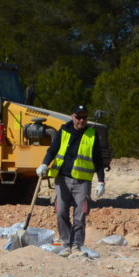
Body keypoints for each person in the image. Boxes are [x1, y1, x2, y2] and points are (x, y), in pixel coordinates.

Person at [36, 105, 106, 257]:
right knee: (61, 212)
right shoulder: (63, 131)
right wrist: (44, 164)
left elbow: (98, 159)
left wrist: (101, 181)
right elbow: (52, 150)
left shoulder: (92, 134)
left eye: (84, 117)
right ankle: (66, 243)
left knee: (80, 215)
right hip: (63, 178)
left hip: (82, 181)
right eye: (78, 117)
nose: (81, 120)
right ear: (72, 116)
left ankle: (76, 246)